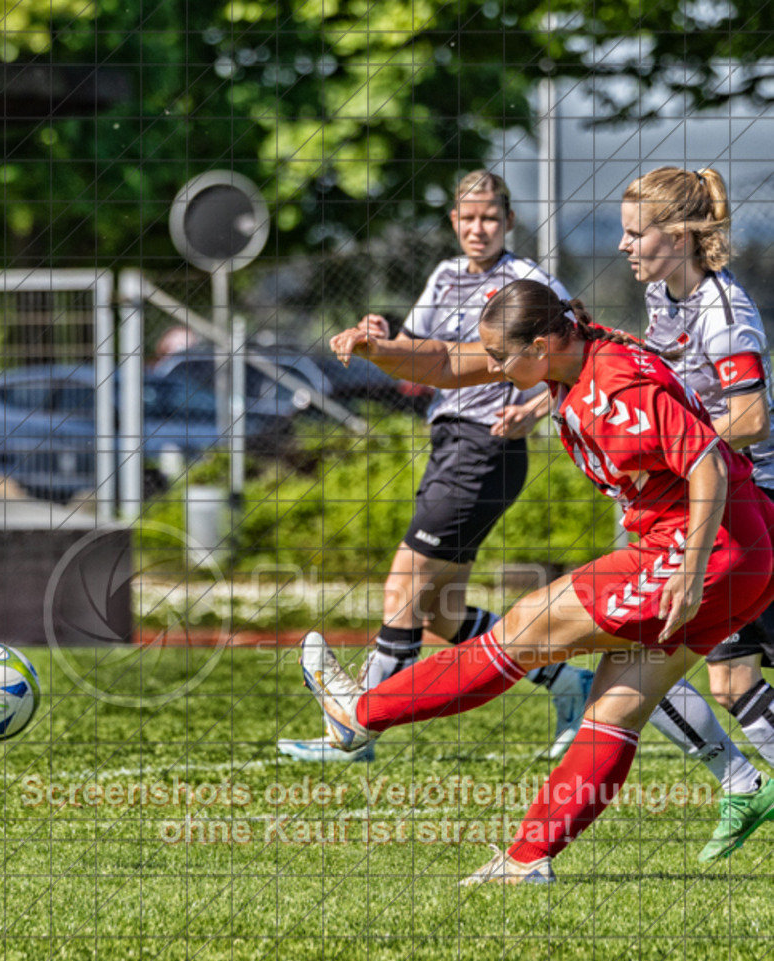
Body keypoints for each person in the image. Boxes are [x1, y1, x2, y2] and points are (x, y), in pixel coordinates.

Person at [299, 280, 774, 885]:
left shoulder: (613, 386)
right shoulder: (568, 357)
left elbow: (707, 462)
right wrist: (377, 351)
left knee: (524, 628)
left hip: (703, 548)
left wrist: (690, 567)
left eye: (503, 357)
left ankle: (361, 713)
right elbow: (447, 363)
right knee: (617, 708)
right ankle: (528, 859)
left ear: (543, 345)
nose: (495, 367)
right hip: (745, 549)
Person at [277, 169, 593, 765]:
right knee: (444, 613)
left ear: (509, 221)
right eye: (468, 218)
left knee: (404, 586)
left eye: (490, 217)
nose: (479, 228)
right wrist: (379, 337)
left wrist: (533, 410)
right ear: (453, 221)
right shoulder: (446, 276)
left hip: (487, 449)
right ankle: (567, 684)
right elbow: (421, 351)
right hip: (449, 445)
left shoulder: (528, 281)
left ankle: (355, 728)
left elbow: (579, 356)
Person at [618, 166, 774, 861]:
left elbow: (751, 418)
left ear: (677, 238)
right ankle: (744, 785)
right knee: (719, 675)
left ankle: (743, 783)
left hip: (754, 507)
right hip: (707, 507)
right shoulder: (663, 293)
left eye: (635, 234)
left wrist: (675, 447)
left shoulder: (723, 312)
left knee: (651, 659)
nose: (624, 246)